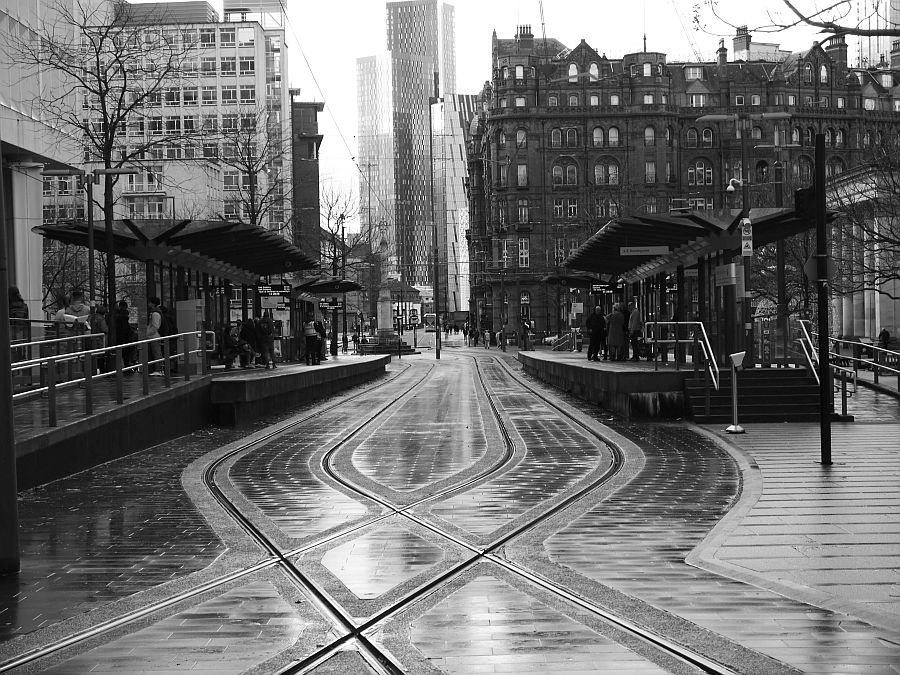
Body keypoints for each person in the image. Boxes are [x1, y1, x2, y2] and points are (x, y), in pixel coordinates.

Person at [114, 300, 137, 367]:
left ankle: (121, 366)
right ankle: (127, 365)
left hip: (119, 337)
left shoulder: (116, 316)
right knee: (126, 353)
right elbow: (126, 328)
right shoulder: (125, 317)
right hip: (125, 337)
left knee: (120, 353)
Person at [146, 296, 164, 375]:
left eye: (150, 302)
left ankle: (158, 369)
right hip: (154, 336)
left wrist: (149, 333)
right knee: (156, 353)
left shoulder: (155, 313)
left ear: (153, 304)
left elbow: (155, 326)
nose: (148, 304)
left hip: (154, 336)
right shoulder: (155, 312)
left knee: (156, 353)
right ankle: (158, 369)